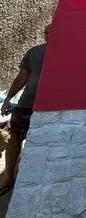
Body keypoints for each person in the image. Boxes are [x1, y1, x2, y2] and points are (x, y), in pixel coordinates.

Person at [0, 24, 50, 195]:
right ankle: (8, 177)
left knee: (39, 143)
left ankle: (26, 178)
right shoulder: (34, 52)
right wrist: (8, 99)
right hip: (27, 104)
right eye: (46, 32)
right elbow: (21, 78)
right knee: (15, 138)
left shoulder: (69, 52)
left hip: (49, 107)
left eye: (51, 32)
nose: (48, 35)